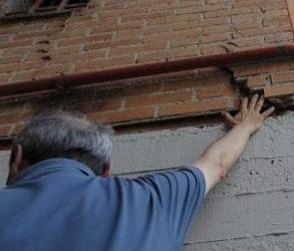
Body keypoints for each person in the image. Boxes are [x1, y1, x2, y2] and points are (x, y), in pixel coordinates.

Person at [0, 94, 274, 251]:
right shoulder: (150, 199)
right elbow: (218, 163)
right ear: (107, 170)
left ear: (17, 158)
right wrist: (246, 126)